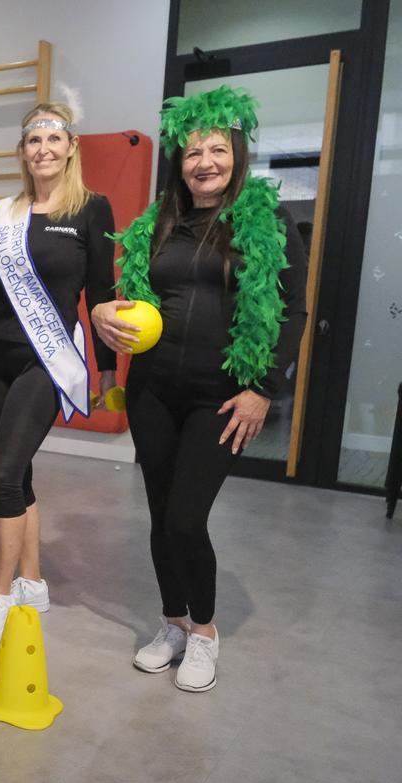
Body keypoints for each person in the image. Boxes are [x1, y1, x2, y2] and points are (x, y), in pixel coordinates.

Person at [91, 86, 307, 692]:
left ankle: (205, 632)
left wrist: (265, 389)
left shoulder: (266, 222)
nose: (204, 161)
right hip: (154, 390)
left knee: (187, 518)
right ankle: (172, 623)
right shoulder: (158, 221)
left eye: (217, 149)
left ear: (236, 154)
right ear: (179, 161)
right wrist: (108, 314)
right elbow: (131, 298)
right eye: (192, 151)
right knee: (161, 516)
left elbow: (293, 313)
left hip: (223, 396)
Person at [0, 102, 116, 647]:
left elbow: (102, 293)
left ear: (70, 147)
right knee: (16, 476)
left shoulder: (92, 208)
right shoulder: (3, 212)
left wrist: (108, 371)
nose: (43, 148)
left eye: (53, 138)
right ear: (22, 152)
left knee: (0, 475)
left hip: (45, 362)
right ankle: (33, 583)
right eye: (32, 140)